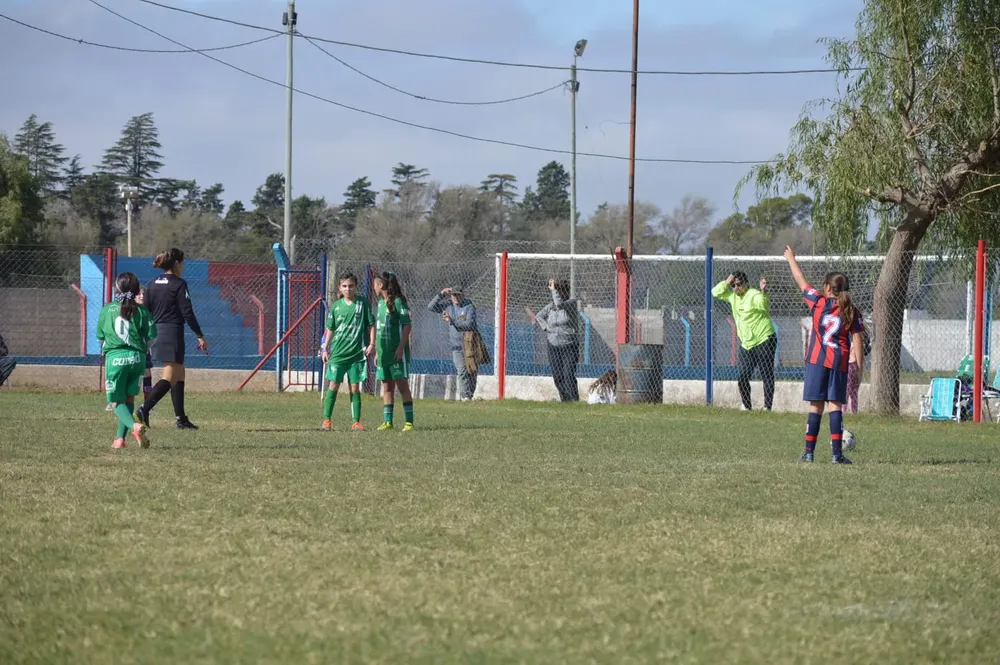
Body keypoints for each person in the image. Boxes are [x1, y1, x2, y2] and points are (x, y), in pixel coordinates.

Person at [784, 246, 864, 464]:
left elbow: (800, 280)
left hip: (817, 362)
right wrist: (859, 367)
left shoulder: (818, 303)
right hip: (839, 363)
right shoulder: (852, 310)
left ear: (828, 288)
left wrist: (791, 259)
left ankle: (809, 453)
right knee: (835, 406)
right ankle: (837, 455)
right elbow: (858, 339)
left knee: (815, 406)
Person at [134, 248, 208, 430]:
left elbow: (145, 311)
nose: (183, 267)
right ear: (176, 264)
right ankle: (144, 410)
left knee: (179, 373)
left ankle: (181, 419)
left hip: (157, 332)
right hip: (172, 332)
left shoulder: (152, 283)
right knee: (169, 375)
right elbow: (187, 312)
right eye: (182, 263)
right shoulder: (178, 284)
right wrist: (199, 334)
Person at [96, 272, 156, 449]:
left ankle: (134, 427)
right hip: (138, 359)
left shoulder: (107, 309)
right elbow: (152, 338)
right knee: (129, 399)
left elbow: (100, 337)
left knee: (116, 402)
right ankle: (119, 440)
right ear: (137, 290)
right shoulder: (143, 311)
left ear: (117, 288)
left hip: (115, 359)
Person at [712, 271, 778, 411]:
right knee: (743, 377)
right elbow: (715, 292)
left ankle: (767, 407)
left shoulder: (753, 294)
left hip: (764, 339)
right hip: (747, 344)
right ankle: (747, 406)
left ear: (746, 284)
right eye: (733, 285)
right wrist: (726, 281)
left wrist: (763, 292)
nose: (736, 288)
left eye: (739, 285)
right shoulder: (732, 296)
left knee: (766, 373)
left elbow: (763, 305)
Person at [320, 272, 376, 431]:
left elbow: (371, 325)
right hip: (337, 353)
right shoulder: (336, 306)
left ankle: (356, 422)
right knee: (333, 385)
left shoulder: (363, 303)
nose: (348, 289)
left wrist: (372, 344)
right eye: (344, 286)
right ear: (339, 288)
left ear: (356, 287)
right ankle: (326, 420)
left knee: (354, 388)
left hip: (356, 354)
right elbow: (330, 329)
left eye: (351, 286)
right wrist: (325, 349)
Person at [526, 279, 581, 402]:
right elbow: (539, 316)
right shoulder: (550, 307)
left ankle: (574, 400)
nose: (560, 294)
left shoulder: (571, 304)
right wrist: (547, 328)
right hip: (553, 346)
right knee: (558, 376)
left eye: (562, 292)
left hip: (569, 346)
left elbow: (560, 304)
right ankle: (565, 401)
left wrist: (554, 290)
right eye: (558, 292)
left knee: (568, 375)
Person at [373, 272, 414, 431]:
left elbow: (407, 326)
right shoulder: (381, 304)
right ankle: (388, 421)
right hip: (384, 354)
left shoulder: (398, 302)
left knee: (402, 386)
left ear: (381, 285)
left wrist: (400, 348)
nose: (374, 287)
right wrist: (377, 352)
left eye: (375, 284)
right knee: (387, 387)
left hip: (397, 353)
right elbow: (379, 330)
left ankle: (409, 422)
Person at [428, 286, 479, 401]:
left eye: (458, 295)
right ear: (451, 296)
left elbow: (469, 324)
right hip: (456, 347)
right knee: (461, 370)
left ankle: (469, 395)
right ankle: (465, 396)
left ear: (462, 295)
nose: (456, 297)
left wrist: (452, 321)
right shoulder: (448, 306)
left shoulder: (469, 307)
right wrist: (441, 294)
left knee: (472, 371)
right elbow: (430, 307)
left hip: (470, 344)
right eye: (454, 295)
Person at [846, 322, 871, 413]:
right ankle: (850, 411)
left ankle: (850, 410)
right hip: (851, 364)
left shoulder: (857, 336)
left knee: (851, 389)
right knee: (851, 390)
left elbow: (865, 350)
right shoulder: (850, 334)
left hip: (852, 364)